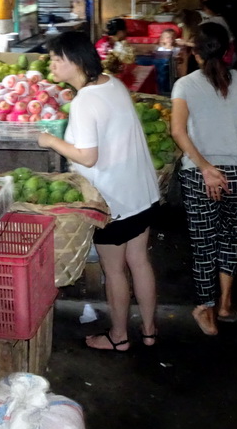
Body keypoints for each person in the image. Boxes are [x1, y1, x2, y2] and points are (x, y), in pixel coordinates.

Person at [37, 31, 160, 351]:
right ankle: (149, 331)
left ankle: (119, 337)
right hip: (141, 192)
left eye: (56, 59)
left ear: (75, 62)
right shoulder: (112, 84)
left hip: (114, 200)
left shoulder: (84, 101)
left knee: (114, 270)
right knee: (139, 262)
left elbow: (87, 156)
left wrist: (50, 141)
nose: (51, 64)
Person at [170, 23, 237, 336]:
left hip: (202, 176)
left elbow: (177, 131)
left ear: (195, 54)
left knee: (204, 244)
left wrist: (205, 167)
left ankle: (206, 310)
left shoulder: (185, 85)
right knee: (230, 235)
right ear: (226, 51)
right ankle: (226, 303)